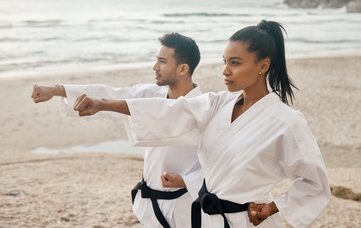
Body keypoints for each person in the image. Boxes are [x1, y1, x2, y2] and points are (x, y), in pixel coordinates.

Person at [71, 20, 331, 228]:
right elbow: (171, 110)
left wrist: (274, 206)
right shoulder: (218, 104)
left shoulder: (286, 122)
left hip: (244, 220)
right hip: (206, 219)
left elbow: (315, 183)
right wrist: (104, 104)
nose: (225, 71)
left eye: (235, 63)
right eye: (225, 62)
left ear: (263, 65)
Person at [31, 33, 205, 228]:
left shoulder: (203, 110)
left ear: (182, 68)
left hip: (182, 208)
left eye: (162, 61)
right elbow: (111, 94)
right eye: (156, 60)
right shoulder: (151, 94)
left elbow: (222, 161)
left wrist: (187, 181)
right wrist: (56, 90)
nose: (155, 67)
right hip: (149, 203)